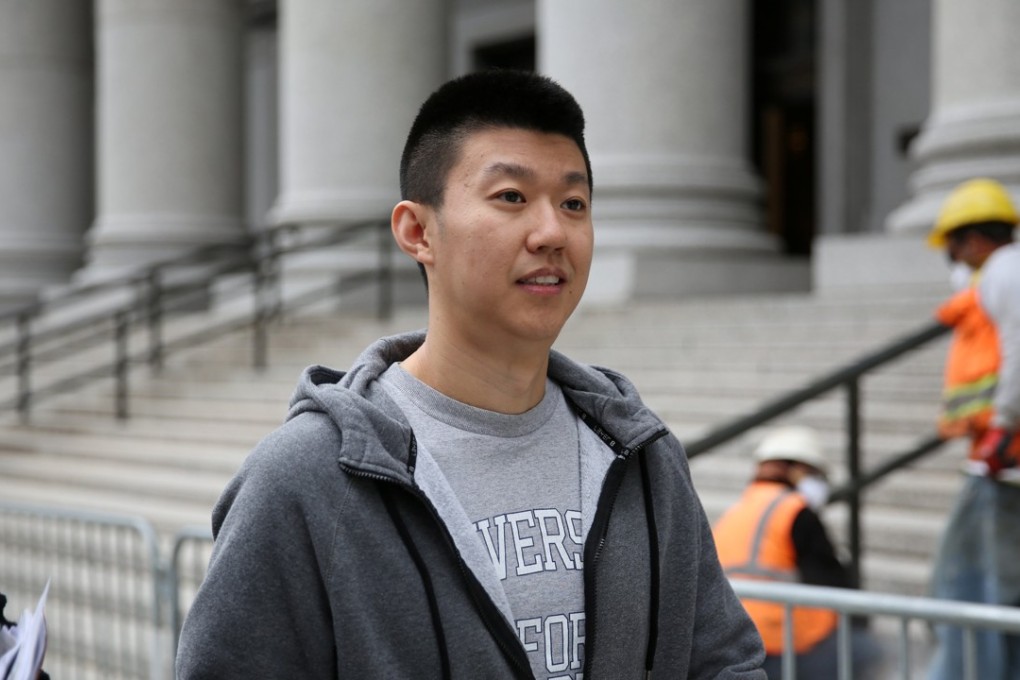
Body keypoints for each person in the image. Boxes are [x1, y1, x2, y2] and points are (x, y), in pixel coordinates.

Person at [175, 70, 766, 679]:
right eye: (511, 196)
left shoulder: (640, 453)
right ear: (417, 231)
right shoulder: (304, 479)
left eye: (574, 203)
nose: (552, 233)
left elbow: (722, 661)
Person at [924, 177, 1020, 680]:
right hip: (1001, 451)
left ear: (975, 239)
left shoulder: (1006, 271)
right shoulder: (1000, 275)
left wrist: (1003, 428)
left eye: (954, 246)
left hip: (1005, 455)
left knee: (966, 580)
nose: (955, 260)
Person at [712, 425, 881, 679]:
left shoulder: (736, 511)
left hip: (738, 640)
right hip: (783, 641)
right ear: (797, 469)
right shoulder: (794, 511)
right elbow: (832, 581)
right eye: (814, 474)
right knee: (864, 650)